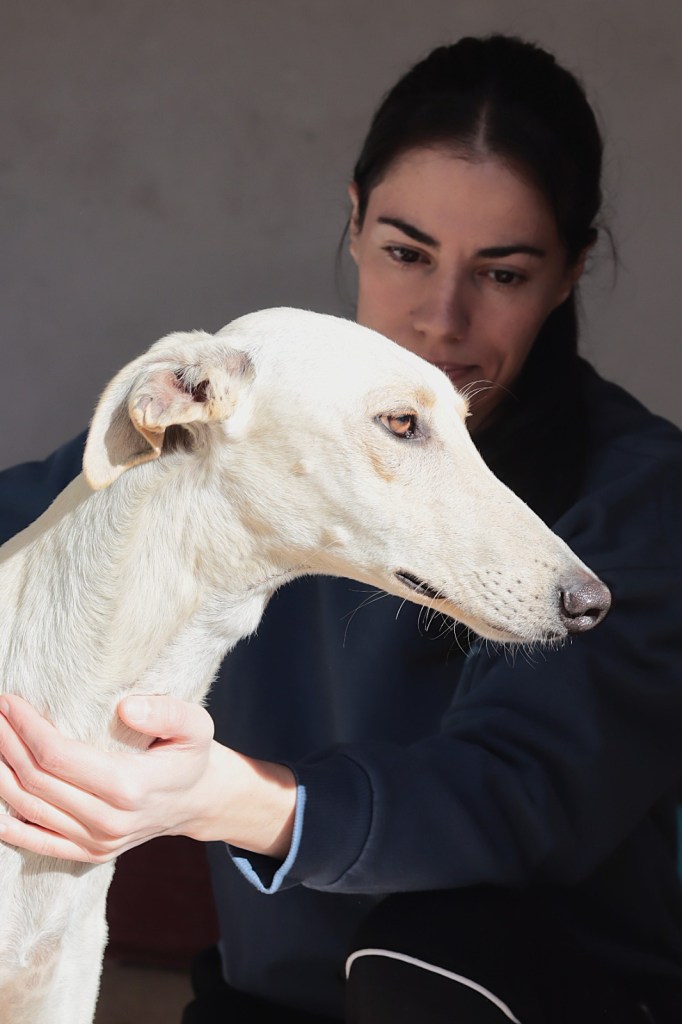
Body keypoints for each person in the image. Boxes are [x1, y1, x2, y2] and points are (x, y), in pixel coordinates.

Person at [0, 33, 681, 1024]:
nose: (439, 318)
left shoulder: (639, 494)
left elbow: (520, 800)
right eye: (407, 253)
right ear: (354, 223)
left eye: (501, 273)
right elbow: (39, 526)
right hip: (269, 997)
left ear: (568, 272)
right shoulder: (239, 430)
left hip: (504, 996)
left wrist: (221, 797)